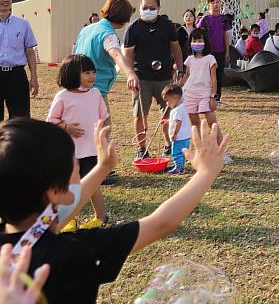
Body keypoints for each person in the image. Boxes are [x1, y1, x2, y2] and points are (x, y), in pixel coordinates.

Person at [0, 116, 227, 303]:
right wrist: (206, 173)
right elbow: (160, 223)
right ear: (54, 191)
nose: (77, 162)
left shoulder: (12, 244)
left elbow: (51, 215)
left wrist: (102, 168)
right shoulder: (73, 254)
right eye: (72, 159)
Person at [46, 55, 110, 231]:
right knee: (69, 187)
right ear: (72, 74)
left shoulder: (96, 94)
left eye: (93, 72)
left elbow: (103, 117)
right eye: (87, 72)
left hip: (91, 150)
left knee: (92, 185)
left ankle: (101, 217)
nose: (92, 76)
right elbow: (51, 121)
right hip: (70, 152)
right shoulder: (63, 96)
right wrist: (66, 127)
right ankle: (69, 219)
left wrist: (102, 136)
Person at [123, 0, 184, 160]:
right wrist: (131, 74)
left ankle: (168, 145)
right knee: (140, 115)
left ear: (158, 9)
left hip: (164, 78)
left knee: (169, 114)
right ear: (140, 7)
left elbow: (176, 48)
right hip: (141, 79)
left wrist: (180, 69)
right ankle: (142, 148)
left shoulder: (167, 26)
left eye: (151, 8)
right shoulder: (133, 28)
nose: (148, 10)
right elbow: (127, 54)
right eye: (144, 7)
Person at [74, 0, 139, 126]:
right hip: (95, 90)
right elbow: (116, 54)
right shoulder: (108, 34)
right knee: (103, 130)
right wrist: (130, 74)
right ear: (124, 19)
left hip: (76, 86)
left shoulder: (86, 29)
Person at [178, 29, 231, 164]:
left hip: (205, 94)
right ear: (190, 43)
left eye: (200, 40)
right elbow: (187, 75)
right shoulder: (189, 59)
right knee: (195, 123)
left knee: (212, 122)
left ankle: (222, 152)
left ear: (205, 42)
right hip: (189, 93)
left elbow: (214, 79)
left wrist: (213, 96)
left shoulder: (210, 59)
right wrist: (178, 87)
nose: (197, 43)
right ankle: (200, 151)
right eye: (194, 40)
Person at [0, 0, 38, 121]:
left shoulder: (23, 24)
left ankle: (18, 143)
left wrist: (34, 77)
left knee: (20, 121)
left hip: (17, 76)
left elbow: (30, 51)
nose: (5, 0)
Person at [197, 0, 231, 103]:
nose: (215, 5)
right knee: (207, 76)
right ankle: (206, 97)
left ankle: (217, 98)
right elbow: (199, 35)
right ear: (209, 5)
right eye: (213, 3)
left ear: (220, 4)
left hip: (220, 51)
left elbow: (226, 36)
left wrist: (227, 51)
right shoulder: (204, 19)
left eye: (217, 2)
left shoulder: (224, 19)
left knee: (219, 75)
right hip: (207, 52)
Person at [160, 85, 192, 174]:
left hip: (179, 137)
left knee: (176, 153)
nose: (167, 103)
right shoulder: (181, 108)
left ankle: (179, 168)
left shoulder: (177, 110)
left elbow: (178, 122)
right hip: (185, 136)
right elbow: (176, 120)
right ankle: (180, 165)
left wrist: (174, 134)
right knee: (183, 152)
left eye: (167, 100)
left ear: (174, 98)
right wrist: (168, 121)